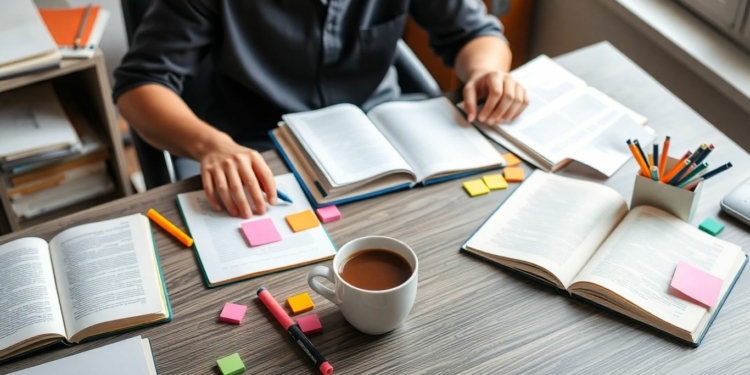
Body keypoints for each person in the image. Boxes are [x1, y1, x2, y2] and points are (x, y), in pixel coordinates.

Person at [114, 0, 529, 219]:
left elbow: (477, 32)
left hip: (381, 131)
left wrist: (486, 71)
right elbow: (139, 84)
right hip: (259, 145)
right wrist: (211, 146)